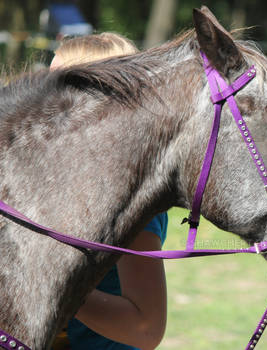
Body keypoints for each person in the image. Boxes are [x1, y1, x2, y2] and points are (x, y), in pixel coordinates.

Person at [50, 33, 168, 350]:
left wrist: (47, 287)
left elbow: (145, 327)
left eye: (59, 87)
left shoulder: (131, 194)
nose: (42, 101)